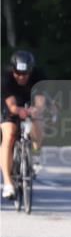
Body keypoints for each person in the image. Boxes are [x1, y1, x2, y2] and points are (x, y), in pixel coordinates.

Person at [1, 50, 47, 199]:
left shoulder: (39, 76)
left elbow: (40, 101)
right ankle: (8, 184)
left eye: (25, 74)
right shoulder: (5, 77)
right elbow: (13, 106)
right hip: (10, 105)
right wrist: (20, 111)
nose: (21, 77)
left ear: (31, 71)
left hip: (29, 102)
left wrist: (36, 109)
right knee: (9, 134)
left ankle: (35, 154)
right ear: (13, 70)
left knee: (38, 119)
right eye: (18, 73)